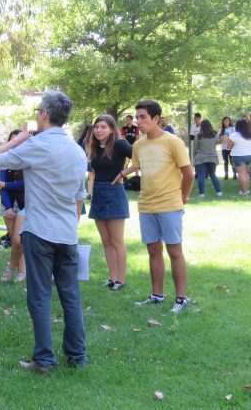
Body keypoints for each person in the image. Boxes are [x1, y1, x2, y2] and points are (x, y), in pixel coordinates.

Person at [0, 91, 88, 373]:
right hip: (67, 232)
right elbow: (81, 195)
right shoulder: (78, 151)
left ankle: (44, 359)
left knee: (39, 295)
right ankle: (77, 355)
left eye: (38, 112)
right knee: (71, 294)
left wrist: (16, 140)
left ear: (44, 115)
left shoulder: (37, 144)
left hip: (40, 231)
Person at [113, 100, 194, 314]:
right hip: (146, 205)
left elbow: (189, 173)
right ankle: (157, 295)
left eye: (143, 117)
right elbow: (137, 166)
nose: (138, 122)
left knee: (174, 251)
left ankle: (181, 298)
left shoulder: (173, 142)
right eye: (137, 117)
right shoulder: (138, 145)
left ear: (156, 119)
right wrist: (123, 173)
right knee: (153, 250)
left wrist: (183, 196)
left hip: (169, 205)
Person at [85, 115, 132, 291]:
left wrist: (123, 174)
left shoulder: (120, 145)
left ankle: (121, 280)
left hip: (114, 194)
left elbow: (140, 158)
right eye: (97, 127)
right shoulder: (95, 148)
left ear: (112, 129)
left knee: (117, 240)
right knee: (105, 241)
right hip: (98, 193)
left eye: (103, 127)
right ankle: (112, 278)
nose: (99, 130)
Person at [0, 129, 26, 283]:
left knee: (18, 240)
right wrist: (8, 207)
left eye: (18, 141)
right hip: (7, 205)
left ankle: (14, 270)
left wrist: (7, 184)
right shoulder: (4, 160)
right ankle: (19, 272)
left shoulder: (28, 160)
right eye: (12, 141)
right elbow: (0, 187)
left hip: (25, 205)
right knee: (16, 241)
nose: (15, 145)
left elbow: (25, 184)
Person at [193, 119, 223, 197]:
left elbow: (195, 149)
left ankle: (202, 194)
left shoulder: (198, 136)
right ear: (210, 126)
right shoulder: (214, 135)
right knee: (213, 174)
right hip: (212, 157)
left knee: (201, 176)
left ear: (201, 127)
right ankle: (219, 192)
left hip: (200, 158)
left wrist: (194, 158)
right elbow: (216, 143)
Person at [226, 119, 251, 195]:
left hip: (238, 156)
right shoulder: (249, 134)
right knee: (246, 174)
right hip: (249, 155)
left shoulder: (234, 135)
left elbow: (228, 147)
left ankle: (244, 192)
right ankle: (246, 190)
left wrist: (234, 145)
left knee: (241, 174)